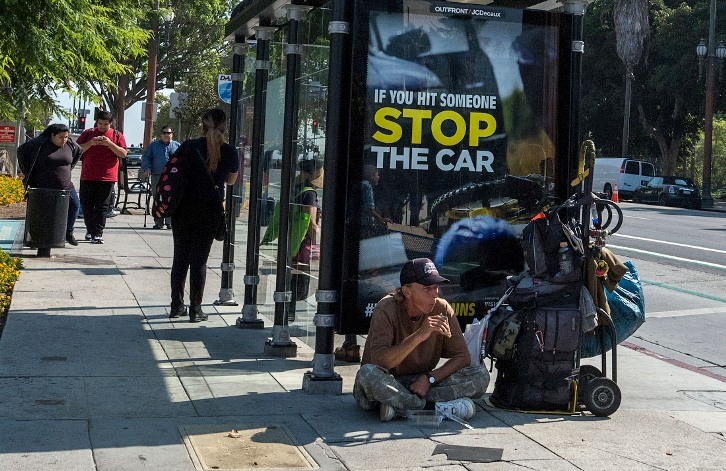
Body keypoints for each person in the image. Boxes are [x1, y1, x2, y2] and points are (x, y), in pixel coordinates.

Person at [353, 258, 490, 422]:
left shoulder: (442, 308)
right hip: (388, 381)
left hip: (422, 383)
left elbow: (463, 358)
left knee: (480, 375)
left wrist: (429, 378)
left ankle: (400, 407)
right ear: (407, 291)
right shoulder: (387, 308)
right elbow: (380, 361)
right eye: (427, 288)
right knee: (367, 374)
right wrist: (419, 335)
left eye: (436, 287)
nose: (435, 293)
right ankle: (432, 408)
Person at [167, 108, 239, 322]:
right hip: (210, 209)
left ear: (202, 125)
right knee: (199, 260)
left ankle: (176, 305)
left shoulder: (188, 146)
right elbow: (231, 180)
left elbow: (174, 171)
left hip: (183, 208)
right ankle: (195, 309)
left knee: (180, 258)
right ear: (224, 127)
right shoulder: (229, 151)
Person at [17, 123, 82, 246]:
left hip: (65, 185)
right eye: (61, 137)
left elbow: (79, 152)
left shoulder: (70, 145)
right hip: (42, 186)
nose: (64, 140)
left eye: (66, 137)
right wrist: (27, 171)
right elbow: (21, 151)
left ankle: (68, 233)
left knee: (74, 205)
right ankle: (35, 238)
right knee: (40, 213)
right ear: (52, 136)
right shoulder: (40, 144)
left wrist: (68, 169)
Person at [76, 111, 128, 244]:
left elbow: (123, 154)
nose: (102, 127)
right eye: (100, 124)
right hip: (88, 175)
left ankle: (97, 233)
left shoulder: (117, 135)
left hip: (107, 178)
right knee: (86, 205)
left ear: (110, 123)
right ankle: (90, 230)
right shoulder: (88, 133)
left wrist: (110, 144)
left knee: (102, 207)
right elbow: (76, 150)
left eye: (105, 124)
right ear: (96, 122)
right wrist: (91, 143)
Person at [287, 154, 323, 322]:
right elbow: (311, 223)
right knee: (301, 282)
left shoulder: (295, 187)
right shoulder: (310, 193)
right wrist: (317, 245)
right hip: (303, 243)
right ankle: (290, 313)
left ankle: (288, 311)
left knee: (292, 277)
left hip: (291, 239)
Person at [142, 125, 180, 229]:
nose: (166, 135)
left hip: (173, 177)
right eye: (164, 133)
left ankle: (169, 222)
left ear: (172, 134)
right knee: (158, 198)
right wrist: (147, 169)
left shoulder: (177, 146)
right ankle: (158, 222)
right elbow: (146, 158)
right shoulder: (153, 146)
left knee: (171, 199)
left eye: (169, 133)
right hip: (157, 176)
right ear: (161, 134)